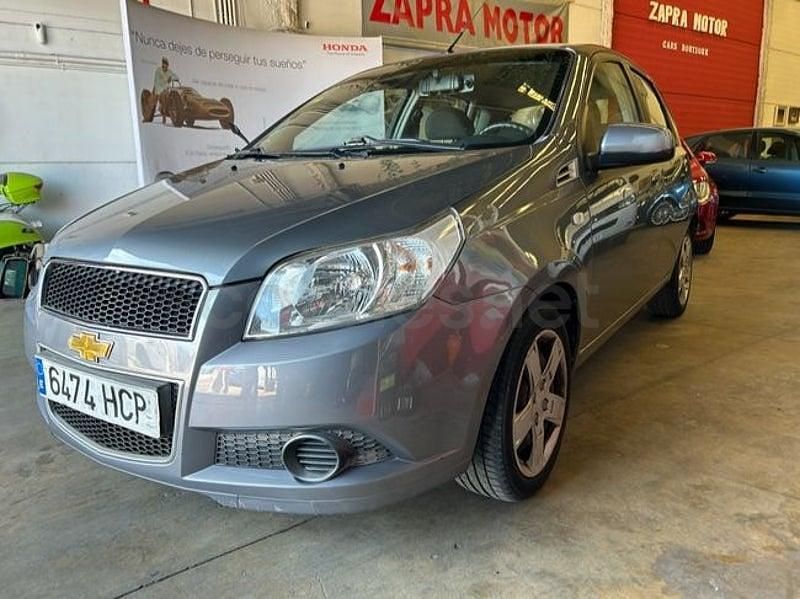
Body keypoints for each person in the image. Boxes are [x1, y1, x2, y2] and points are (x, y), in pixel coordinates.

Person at [153, 57, 179, 123]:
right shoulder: (158, 71)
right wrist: (163, 86)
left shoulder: (169, 71)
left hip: (167, 89)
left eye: (166, 64)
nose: (165, 66)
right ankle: (161, 110)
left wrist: (171, 77)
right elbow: (156, 82)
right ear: (162, 64)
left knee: (170, 95)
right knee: (163, 95)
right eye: (164, 64)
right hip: (159, 88)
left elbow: (176, 77)